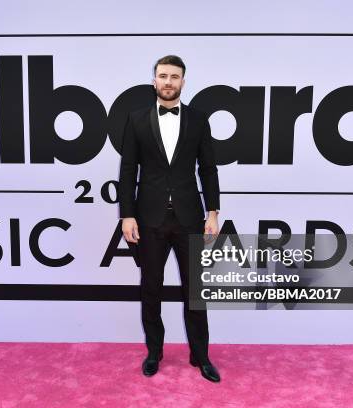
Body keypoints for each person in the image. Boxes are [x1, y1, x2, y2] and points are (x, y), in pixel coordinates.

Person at [118, 55, 221, 382]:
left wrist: (213, 212)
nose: (168, 82)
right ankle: (154, 352)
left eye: (174, 77)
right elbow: (127, 171)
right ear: (154, 80)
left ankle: (201, 356)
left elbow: (208, 168)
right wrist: (127, 215)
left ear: (183, 82)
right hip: (149, 219)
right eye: (163, 76)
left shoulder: (198, 120)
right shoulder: (136, 120)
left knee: (196, 291)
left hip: (190, 217)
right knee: (151, 288)